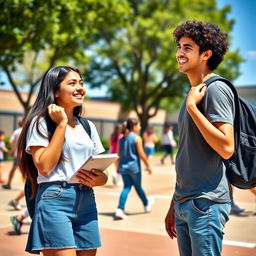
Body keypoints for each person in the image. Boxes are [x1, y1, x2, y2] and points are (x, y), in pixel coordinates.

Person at [17, 66, 108, 256]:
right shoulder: (40, 122)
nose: (80, 87)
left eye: (81, 83)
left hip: (87, 201)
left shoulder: (87, 126)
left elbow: (104, 174)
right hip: (54, 200)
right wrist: (61, 124)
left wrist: (98, 179)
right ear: (56, 91)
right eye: (72, 83)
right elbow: (44, 167)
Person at [165, 21, 234, 256]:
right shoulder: (193, 94)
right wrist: (174, 204)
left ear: (206, 54)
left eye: (187, 47)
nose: (179, 53)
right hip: (186, 202)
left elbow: (226, 147)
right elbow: (188, 154)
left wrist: (193, 109)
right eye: (179, 46)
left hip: (206, 202)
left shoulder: (215, 89)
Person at [114, 118, 154, 220]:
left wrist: (117, 167)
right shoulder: (137, 138)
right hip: (134, 168)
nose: (140, 127)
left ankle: (120, 209)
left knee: (126, 187)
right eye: (139, 125)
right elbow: (141, 154)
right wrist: (148, 165)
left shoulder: (121, 139)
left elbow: (118, 154)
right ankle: (146, 204)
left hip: (123, 167)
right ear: (134, 126)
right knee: (138, 187)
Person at [2, 117, 24, 189]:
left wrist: (13, 149)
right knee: (25, 169)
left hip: (17, 153)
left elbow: (11, 142)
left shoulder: (16, 131)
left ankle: (8, 184)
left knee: (14, 168)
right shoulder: (26, 130)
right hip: (26, 153)